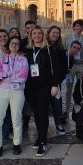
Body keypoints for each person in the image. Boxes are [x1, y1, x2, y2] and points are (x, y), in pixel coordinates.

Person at [0, 37, 29, 158]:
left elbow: (23, 76)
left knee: (16, 119)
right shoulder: (2, 58)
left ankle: (17, 144)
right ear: (9, 45)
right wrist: (11, 75)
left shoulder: (23, 59)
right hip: (3, 91)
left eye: (17, 43)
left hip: (17, 92)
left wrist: (6, 76)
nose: (15, 45)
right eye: (12, 43)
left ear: (19, 46)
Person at [25, 25, 59, 157]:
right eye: (34, 33)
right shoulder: (27, 50)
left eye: (39, 33)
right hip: (30, 87)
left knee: (42, 113)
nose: (37, 35)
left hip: (45, 86)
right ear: (31, 36)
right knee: (36, 113)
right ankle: (40, 137)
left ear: (43, 36)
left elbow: (56, 69)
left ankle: (43, 141)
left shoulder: (49, 50)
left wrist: (55, 85)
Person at [62, 19, 83, 119]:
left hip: (81, 65)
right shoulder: (67, 37)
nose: (79, 28)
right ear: (74, 27)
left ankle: (80, 108)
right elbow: (64, 50)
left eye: (81, 27)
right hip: (70, 67)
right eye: (77, 26)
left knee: (80, 87)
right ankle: (66, 110)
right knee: (68, 88)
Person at [46, 25, 66, 135]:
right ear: (48, 33)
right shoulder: (44, 47)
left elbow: (63, 66)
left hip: (56, 81)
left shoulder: (61, 49)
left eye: (57, 33)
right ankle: (44, 125)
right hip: (44, 81)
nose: (55, 34)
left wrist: (58, 80)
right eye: (53, 32)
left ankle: (58, 123)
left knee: (57, 103)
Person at [60, 40, 81, 124]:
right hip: (60, 77)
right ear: (70, 47)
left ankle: (64, 112)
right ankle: (63, 111)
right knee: (63, 93)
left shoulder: (72, 57)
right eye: (74, 47)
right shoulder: (64, 54)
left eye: (78, 49)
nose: (75, 49)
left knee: (66, 92)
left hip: (66, 76)